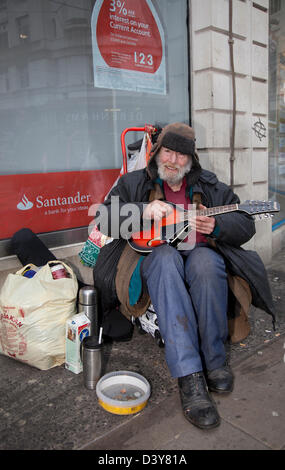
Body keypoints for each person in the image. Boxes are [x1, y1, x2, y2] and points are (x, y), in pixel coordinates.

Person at [94, 122, 275, 430]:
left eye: (181, 155)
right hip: (148, 260)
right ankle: (190, 376)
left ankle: (214, 359)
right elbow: (104, 220)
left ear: (192, 159)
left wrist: (216, 227)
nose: (173, 160)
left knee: (206, 261)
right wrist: (143, 210)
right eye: (167, 152)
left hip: (198, 256)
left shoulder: (211, 186)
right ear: (156, 153)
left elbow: (245, 225)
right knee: (165, 260)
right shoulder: (134, 182)